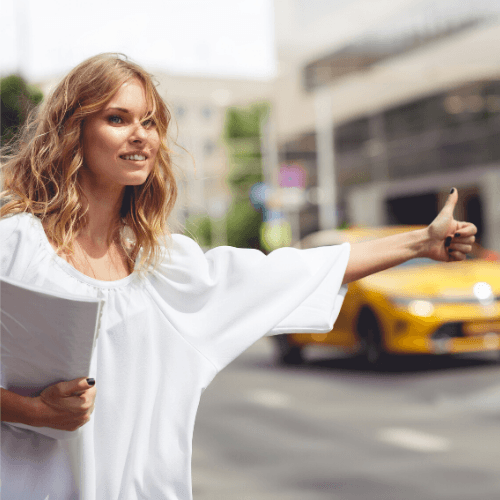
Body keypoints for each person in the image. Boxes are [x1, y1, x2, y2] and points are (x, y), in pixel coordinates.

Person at [0, 53, 476, 500]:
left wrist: (419, 244)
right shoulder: (16, 247)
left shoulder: (167, 267)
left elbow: (294, 271)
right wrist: (32, 412)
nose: (141, 135)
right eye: (118, 118)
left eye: (150, 122)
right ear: (73, 131)